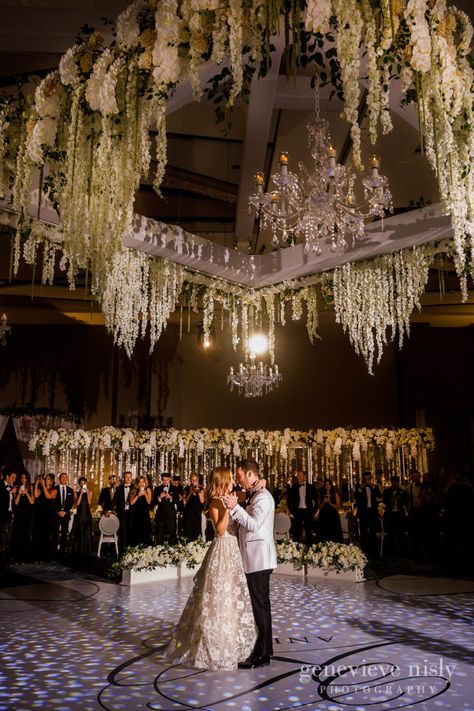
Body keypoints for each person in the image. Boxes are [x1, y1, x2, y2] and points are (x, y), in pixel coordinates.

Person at [165, 467, 256, 670]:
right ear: (222, 481)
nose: (233, 481)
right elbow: (221, 530)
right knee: (218, 595)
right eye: (230, 478)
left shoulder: (228, 499)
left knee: (231, 595)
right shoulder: (215, 502)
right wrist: (231, 509)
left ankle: (232, 638)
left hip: (232, 551)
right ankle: (213, 643)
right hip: (222, 549)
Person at [224, 459, 277, 669]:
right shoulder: (256, 494)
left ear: (249, 474)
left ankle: (261, 654)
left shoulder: (263, 497)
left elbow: (254, 525)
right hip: (254, 558)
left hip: (259, 559)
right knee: (260, 606)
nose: (238, 481)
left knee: (260, 607)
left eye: (239, 476)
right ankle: (265, 651)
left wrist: (235, 507)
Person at [288, 470, 319, 543]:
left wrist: (314, 511)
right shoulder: (294, 487)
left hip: (308, 511)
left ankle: (309, 547)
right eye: (297, 476)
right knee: (297, 530)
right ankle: (296, 547)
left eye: (300, 475)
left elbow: (316, 500)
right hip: (298, 511)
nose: (298, 477)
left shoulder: (311, 487)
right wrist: (292, 510)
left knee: (308, 529)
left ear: (304, 477)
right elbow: (289, 500)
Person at [32, 474, 57, 561]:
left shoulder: (54, 490)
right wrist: (36, 484)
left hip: (48, 516)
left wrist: (43, 486)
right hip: (39, 515)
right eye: (45, 479)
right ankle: (38, 555)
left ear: (52, 481)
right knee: (39, 535)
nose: (46, 480)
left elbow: (48, 496)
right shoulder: (41, 488)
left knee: (46, 536)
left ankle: (46, 556)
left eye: (48, 479)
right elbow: (35, 495)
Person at [11, 473, 35, 561]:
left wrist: (27, 493)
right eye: (22, 478)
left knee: (26, 534)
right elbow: (16, 503)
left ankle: (25, 556)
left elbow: (32, 502)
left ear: (27, 479)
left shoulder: (30, 487)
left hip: (27, 514)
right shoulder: (16, 487)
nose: (23, 479)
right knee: (18, 534)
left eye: (25, 478)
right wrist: (19, 494)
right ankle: (17, 556)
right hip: (19, 514)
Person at [355, 472, 379, 558]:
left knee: (373, 532)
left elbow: (379, 496)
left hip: (372, 512)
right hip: (363, 512)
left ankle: (374, 552)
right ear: (363, 479)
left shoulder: (374, 487)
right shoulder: (359, 488)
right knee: (363, 532)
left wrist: (372, 486)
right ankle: (363, 551)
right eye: (365, 479)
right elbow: (356, 497)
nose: (367, 481)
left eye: (369, 479)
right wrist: (361, 488)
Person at [153, 473, 178, 545]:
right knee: (160, 535)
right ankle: (159, 552)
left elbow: (178, 501)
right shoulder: (157, 489)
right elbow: (153, 502)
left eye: (167, 480)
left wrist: (171, 498)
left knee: (172, 535)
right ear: (161, 480)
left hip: (171, 515)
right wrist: (159, 497)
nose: (165, 482)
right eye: (164, 480)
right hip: (160, 516)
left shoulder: (175, 488)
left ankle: (173, 552)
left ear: (170, 479)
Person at [316, 478, 343, 543]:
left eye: (329, 484)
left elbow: (338, 506)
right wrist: (323, 502)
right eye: (326, 484)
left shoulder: (335, 494)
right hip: (323, 515)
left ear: (331, 485)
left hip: (333, 515)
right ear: (324, 486)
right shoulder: (321, 494)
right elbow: (319, 507)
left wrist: (330, 503)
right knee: (323, 534)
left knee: (334, 534)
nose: (327, 486)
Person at [72, 477, 93, 556]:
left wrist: (87, 492)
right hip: (80, 515)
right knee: (80, 532)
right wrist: (80, 493)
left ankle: (87, 551)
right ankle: (80, 551)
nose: (83, 484)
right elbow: (77, 503)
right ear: (79, 484)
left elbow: (89, 502)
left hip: (87, 515)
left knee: (87, 533)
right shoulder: (76, 492)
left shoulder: (90, 492)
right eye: (81, 483)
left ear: (86, 483)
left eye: (84, 483)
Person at [113, 471, 133, 552]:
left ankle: (131, 548)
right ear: (124, 478)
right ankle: (123, 549)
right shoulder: (119, 488)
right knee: (123, 530)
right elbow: (114, 500)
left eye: (129, 477)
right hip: (122, 512)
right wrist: (108, 509)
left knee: (131, 529)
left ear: (132, 478)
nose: (128, 479)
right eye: (126, 477)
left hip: (132, 512)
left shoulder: (135, 488)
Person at [129, 475, 152, 546]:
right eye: (140, 482)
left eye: (143, 482)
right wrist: (138, 496)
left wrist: (145, 494)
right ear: (137, 483)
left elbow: (149, 502)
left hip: (145, 515)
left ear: (145, 482)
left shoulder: (148, 489)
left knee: (145, 533)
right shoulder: (134, 490)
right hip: (136, 515)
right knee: (136, 534)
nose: (141, 484)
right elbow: (131, 503)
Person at [181, 473, 205, 541]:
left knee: (197, 532)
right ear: (190, 480)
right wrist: (190, 492)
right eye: (192, 479)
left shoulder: (201, 488)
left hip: (197, 514)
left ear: (198, 480)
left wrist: (198, 491)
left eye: (196, 479)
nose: (194, 481)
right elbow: (184, 502)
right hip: (188, 514)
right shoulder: (186, 489)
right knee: (188, 532)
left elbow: (202, 501)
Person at [55, 472, 74, 553]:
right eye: (62, 477)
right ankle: (54, 551)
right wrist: (59, 511)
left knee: (64, 534)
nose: (64, 479)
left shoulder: (70, 490)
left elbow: (71, 502)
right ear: (59, 479)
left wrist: (65, 511)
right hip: (56, 514)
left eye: (65, 477)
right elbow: (53, 502)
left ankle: (62, 551)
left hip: (66, 515)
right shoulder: (55, 489)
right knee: (55, 533)